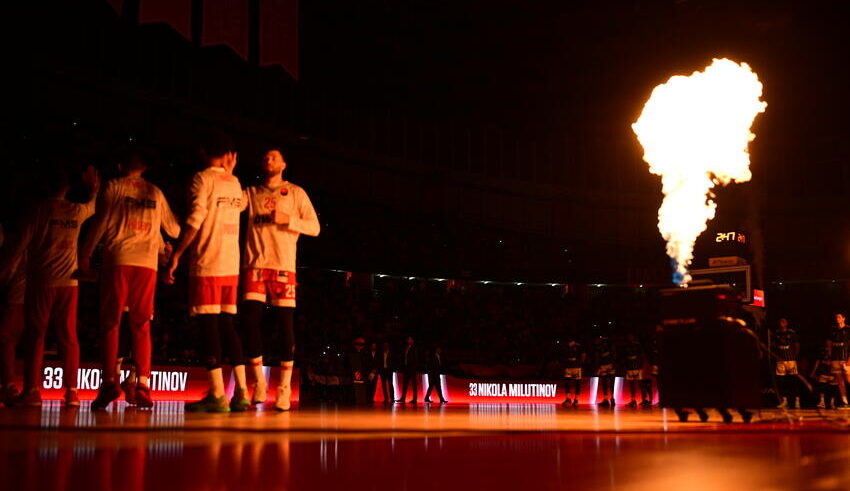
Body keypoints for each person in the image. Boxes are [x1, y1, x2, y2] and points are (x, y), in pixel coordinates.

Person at [79, 151, 180, 410]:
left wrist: (86, 255)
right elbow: (174, 230)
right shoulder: (155, 192)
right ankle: (143, 384)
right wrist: (165, 248)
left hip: (118, 261)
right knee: (141, 324)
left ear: (120, 165)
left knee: (111, 323)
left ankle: (110, 382)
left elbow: (100, 223)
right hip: (147, 265)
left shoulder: (113, 186)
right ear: (145, 167)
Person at [0, 164, 99, 407]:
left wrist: (3, 272)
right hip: (70, 284)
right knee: (69, 337)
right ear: (67, 187)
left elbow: (19, 246)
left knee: (36, 335)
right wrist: (94, 186)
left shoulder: (38, 211)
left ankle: (32, 391)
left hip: (42, 282)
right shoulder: (76, 210)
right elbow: (94, 206)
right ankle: (72, 393)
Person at [166, 133, 249, 413]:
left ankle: (217, 395)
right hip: (232, 264)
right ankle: (242, 393)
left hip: (208, 262)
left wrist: (177, 254)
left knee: (209, 326)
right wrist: (230, 173)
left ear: (202, 152)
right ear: (227, 154)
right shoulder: (235, 182)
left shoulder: (202, 179)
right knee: (228, 325)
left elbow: (195, 218)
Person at [239, 148, 320, 411]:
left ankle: (284, 388)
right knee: (250, 321)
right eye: (265, 157)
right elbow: (230, 205)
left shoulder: (296, 193)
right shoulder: (250, 193)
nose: (268, 159)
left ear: (284, 163)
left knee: (285, 326)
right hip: (255, 265)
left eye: (274, 156)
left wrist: (290, 220)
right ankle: (258, 383)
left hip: (284, 267)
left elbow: (315, 228)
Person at [0, 224, 25, 405]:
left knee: (7, 337)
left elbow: (10, 266)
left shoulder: (19, 234)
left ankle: (9, 385)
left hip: (17, 292)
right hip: (29, 291)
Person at [771, 318, 800, 409]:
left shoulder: (791, 333)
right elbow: (774, 346)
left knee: (793, 381)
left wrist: (794, 357)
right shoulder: (776, 334)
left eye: (783, 321)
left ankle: (796, 401)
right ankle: (784, 401)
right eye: (780, 321)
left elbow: (797, 345)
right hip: (780, 361)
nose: (781, 323)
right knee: (782, 382)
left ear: (787, 323)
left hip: (790, 360)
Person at [827, 313, 850, 408]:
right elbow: (829, 344)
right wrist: (830, 357)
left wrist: (849, 359)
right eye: (836, 317)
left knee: (848, 379)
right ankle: (845, 402)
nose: (837, 319)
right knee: (840, 381)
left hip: (845, 359)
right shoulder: (833, 330)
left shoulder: (848, 329)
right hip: (835, 359)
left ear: (844, 318)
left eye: (839, 317)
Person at [623, 333, 646, 408]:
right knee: (632, 385)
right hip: (630, 367)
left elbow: (641, 356)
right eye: (629, 337)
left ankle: (644, 400)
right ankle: (633, 400)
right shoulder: (626, 346)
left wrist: (640, 367)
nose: (630, 338)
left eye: (631, 336)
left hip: (637, 367)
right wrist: (626, 367)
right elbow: (625, 357)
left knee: (641, 384)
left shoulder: (638, 345)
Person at [811, 344, 838, 409]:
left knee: (833, 388)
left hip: (832, 373)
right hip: (823, 373)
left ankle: (832, 403)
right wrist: (813, 372)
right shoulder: (822, 353)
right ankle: (822, 402)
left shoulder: (836, 353)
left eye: (829, 345)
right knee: (822, 386)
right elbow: (817, 363)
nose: (827, 347)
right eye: (827, 345)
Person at [593, 333, 616, 407]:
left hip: (609, 365)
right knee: (605, 383)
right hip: (604, 366)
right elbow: (597, 358)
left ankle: (611, 399)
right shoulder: (598, 348)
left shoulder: (609, 345)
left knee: (609, 383)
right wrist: (598, 368)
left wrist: (613, 365)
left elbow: (613, 355)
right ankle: (607, 399)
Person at [561, 337, 584, 407]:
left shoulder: (579, 347)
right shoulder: (566, 347)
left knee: (577, 383)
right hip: (568, 368)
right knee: (567, 383)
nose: (569, 343)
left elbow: (583, 355)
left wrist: (580, 363)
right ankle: (568, 399)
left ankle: (576, 400)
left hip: (577, 368)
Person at [398, 336, 419, 404]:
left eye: (410, 339)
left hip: (412, 368)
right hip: (406, 368)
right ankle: (403, 398)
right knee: (405, 383)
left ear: (413, 341)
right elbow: (404, 357)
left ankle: (415, 399)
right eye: (408, 339)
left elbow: (415, 358)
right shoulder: (406, 347)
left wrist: (414, 367)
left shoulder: (414, 348)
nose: (409, 340)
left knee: (414, 384)